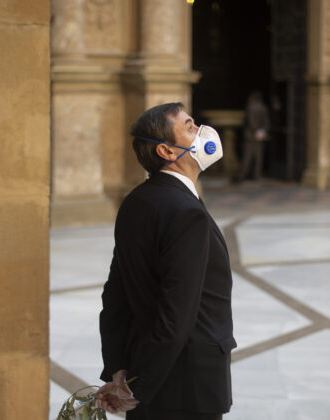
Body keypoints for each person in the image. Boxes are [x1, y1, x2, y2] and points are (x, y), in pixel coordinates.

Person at [97, 103, 236, 420]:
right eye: (189, 126)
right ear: (166, 150)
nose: (200, 131)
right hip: (187, 387)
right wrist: (136, 389)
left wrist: (120, 370)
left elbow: (115, 296)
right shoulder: (187, 212)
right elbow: (177, 313)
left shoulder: (135, 201)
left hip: (144, 371)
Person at [234, 91, 270, 182]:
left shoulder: (250, 107)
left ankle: (242, 175)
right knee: (258, 157)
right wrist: (261, 132)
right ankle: (257, 175)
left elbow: (250, 122)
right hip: (259, 136)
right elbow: (266, 123)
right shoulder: (263, 107)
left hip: (249, 136)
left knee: (247, 156)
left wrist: (254, 130)